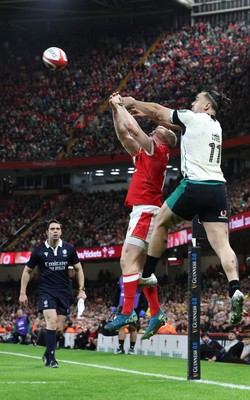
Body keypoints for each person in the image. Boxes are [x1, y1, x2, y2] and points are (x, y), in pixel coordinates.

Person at [116, 90, 244, 338]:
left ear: (207, 105)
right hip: (218, 188)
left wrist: (133, 103)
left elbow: (160, 110)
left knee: (161, 220)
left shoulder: (193, 118)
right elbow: (168, 121)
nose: (192, 102)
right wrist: (152, 117)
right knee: (222, 244)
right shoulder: (215, 126)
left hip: (195, 184)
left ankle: (147, 273)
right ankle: (235, 288)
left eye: (197, 99)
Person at [104, 94, 177, 338]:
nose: (154, 128)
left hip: (145, 211)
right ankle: (155, 313)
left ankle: (128, 312)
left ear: (163, 138)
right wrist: (115, 113)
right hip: (146, 211)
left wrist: (120, 104)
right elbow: (125, 136)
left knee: (127, 261)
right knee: (141, 269)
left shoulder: (158, 150)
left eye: (157, 129)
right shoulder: (147, 154)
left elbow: (135, 130)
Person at [19, 219, 86, 368]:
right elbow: (27, 271)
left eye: (57, 228)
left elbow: (79, 269)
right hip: (46, 292)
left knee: (59, 328)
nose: (55, 231)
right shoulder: (39, 251)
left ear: (61, 231)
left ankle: (47, 353)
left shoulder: (69, 249)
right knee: (52, 321)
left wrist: (81, 290)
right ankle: (52, 359)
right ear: (47, 232)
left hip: (64, 292)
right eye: (52, 229)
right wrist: (23, 293)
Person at [110, 276, 148, 355]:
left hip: (135, 306)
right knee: (121, 326)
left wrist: (144, 308)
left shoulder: (139, 278)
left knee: (133, 328)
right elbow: (117, 291)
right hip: (123, 305)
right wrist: (114, 304)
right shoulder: (121, 278)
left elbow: (145, 293)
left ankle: (131, 349)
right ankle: (121, 348)